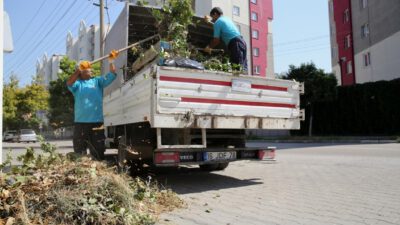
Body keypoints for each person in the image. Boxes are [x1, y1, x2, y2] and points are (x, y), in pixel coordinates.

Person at [67, 50, 119, 160]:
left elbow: (112, 74)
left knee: (98, 149)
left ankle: (97, 168)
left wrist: (111, 61)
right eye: (87, 68)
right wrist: (78, 70)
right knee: (79, 151)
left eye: (90, 68)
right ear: (81, 71)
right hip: (80, 123)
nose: (90, 69)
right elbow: (69, 83)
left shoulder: (97, 81)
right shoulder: (77, 85)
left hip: (97, 122)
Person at [204, 7, 248, 72]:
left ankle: (239, 82)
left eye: (212, 17)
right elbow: (223, 28)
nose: (213, 19)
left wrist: (209, 47)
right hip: (241, 42)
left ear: (215, 14)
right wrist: (210, 22)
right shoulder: (226, 19)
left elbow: (216, 40)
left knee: (237, 68)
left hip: (235, 44)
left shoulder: (218, 22)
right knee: (243, 67)